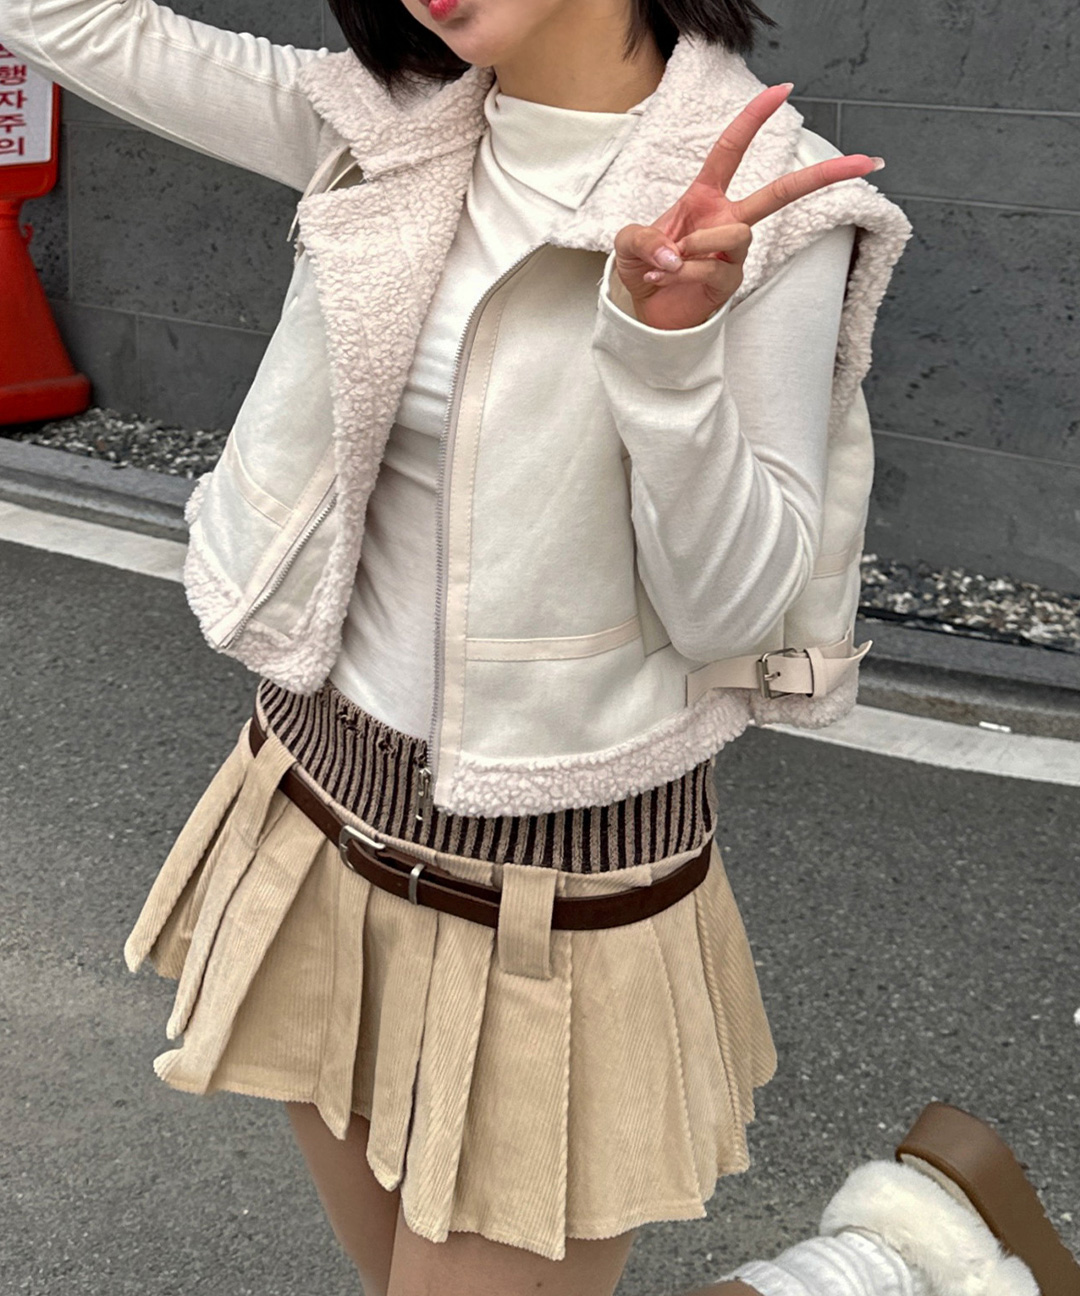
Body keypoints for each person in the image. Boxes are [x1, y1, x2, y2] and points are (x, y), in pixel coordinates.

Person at [4, 0, 1074, 1292]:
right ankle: (900, 1256)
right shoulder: (383, 121)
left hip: (550, 898)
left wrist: (670, 356)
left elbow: (734, 615)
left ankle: (882, 1267)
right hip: (311, 810)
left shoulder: (767, 199)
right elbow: (69, 20)